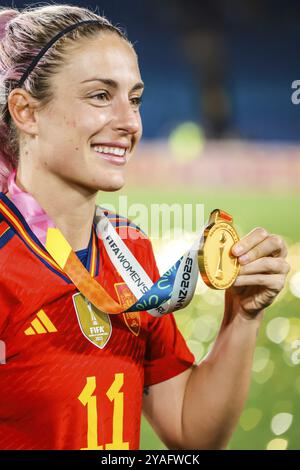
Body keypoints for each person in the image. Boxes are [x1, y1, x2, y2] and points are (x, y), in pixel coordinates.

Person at [0, 4, 290, 451]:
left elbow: (190, 433)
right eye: (100, 96)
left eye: (133, 99)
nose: (129, 122)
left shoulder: (128, 247)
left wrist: (242, 318)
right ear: (26, 111)